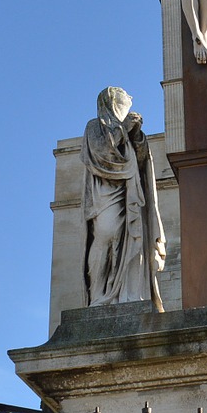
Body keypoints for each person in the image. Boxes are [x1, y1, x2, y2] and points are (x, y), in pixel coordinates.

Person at [81, 87, 166, 310]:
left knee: (130, 240)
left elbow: (140, 162)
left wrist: (136, 136)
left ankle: (128, 293)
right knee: (105, 235)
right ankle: (98, 294)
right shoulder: (94, 126)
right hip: (104, 193)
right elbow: (100, 154)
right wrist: (122, 130)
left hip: (129, 193)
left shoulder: (125, 128)